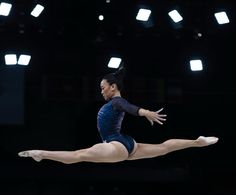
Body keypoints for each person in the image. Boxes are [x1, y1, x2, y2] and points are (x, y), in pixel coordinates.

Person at [18, 67, 218, 164]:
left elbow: (128, 107)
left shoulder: (116, 101)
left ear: (113, 87)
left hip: (115, 144)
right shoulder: (113, 102)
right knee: (163, 148)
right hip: (127, 143)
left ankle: (41, 153)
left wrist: (144, 112)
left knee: (79, 155)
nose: (101, 91)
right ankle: (197, 142)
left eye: (103, 88)